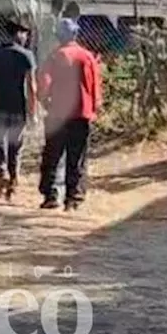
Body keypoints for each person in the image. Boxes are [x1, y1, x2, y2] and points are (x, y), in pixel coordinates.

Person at [38, 18, 102, 211]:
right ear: (75, 34)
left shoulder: (55, 56)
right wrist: (94, 107)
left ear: (59, 35)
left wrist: (45, 101)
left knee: (53, 155)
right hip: (81, 114)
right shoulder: (87, 57)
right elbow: (95, 87)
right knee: (77, 157)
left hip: (58, 113)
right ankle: (73, 198)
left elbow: (44, 84)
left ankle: (51, 195)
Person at [0, 18, 36, 202]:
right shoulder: (26, 56)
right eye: (25, 33)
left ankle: (1, 173)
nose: (26, 37)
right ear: (18, 34)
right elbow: (31, 86)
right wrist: (33, 111)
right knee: (15, 146)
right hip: (17, 107)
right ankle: (13, 181)